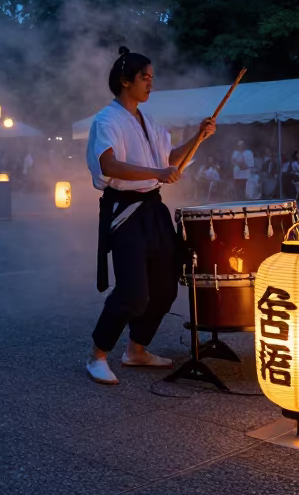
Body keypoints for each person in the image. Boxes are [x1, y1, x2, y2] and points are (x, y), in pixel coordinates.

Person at [85, 47, 215, 385]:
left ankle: (136, 349)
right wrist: (157, 172)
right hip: (125, 211)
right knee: (132, 291)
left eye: (152, 78)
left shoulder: (148, 120)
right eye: (145, 78)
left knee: (164, 287)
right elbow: (109, 165)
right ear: (125, 80)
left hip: (153, 210)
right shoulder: (107, 119)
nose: (150, 84)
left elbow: (168, 158)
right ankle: (98, 354)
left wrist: (197, 138)